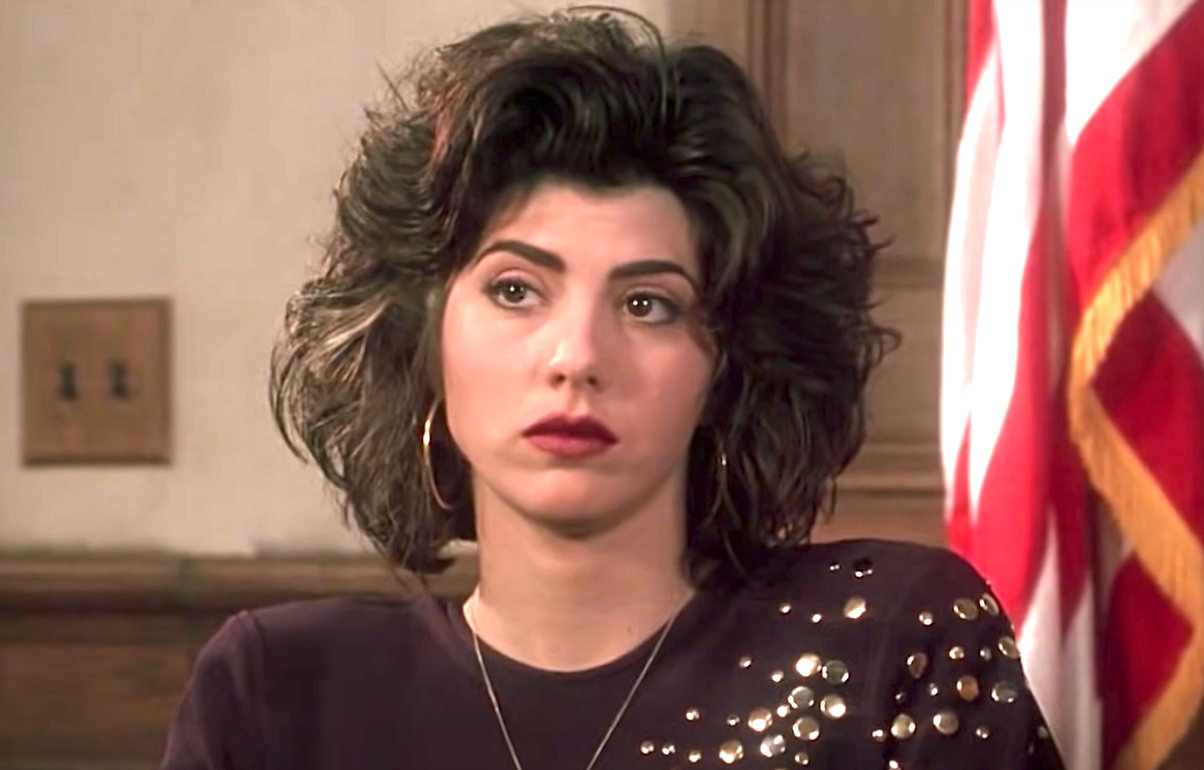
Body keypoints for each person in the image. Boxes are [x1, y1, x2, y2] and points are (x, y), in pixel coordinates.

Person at [160, 7, 1065, 770]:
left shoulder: (893, 642)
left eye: (647, 304)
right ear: (421, 339)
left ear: (728, 365)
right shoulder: (275, 690)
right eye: (516, 290)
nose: (577, 356)